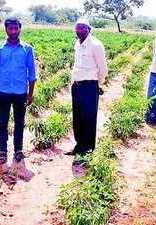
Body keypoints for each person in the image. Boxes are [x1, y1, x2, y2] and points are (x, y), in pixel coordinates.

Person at [0, 17, 37, 164]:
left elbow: (32, 73)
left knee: (19, 122)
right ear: (6, 29)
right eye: (10, 28)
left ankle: (18, 150)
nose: (13, 31)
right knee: (2, 122)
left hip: (20, 92)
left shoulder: (27, 49)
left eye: (16, 28)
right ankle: (2, 151)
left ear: (20, 29)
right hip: (3, 91)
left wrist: (30, 93)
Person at [64, 18, 107, 158]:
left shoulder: (96, 45)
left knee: (89, 117)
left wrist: (98, 84)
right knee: (77, 117)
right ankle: (79, 146)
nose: (79, 30)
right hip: (77, 86)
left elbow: (103, 68)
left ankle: (88, 150)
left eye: (83, 28)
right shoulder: (77, 44)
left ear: (89, 29)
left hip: (90, 86)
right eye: (77, 28)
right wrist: (73, 82)